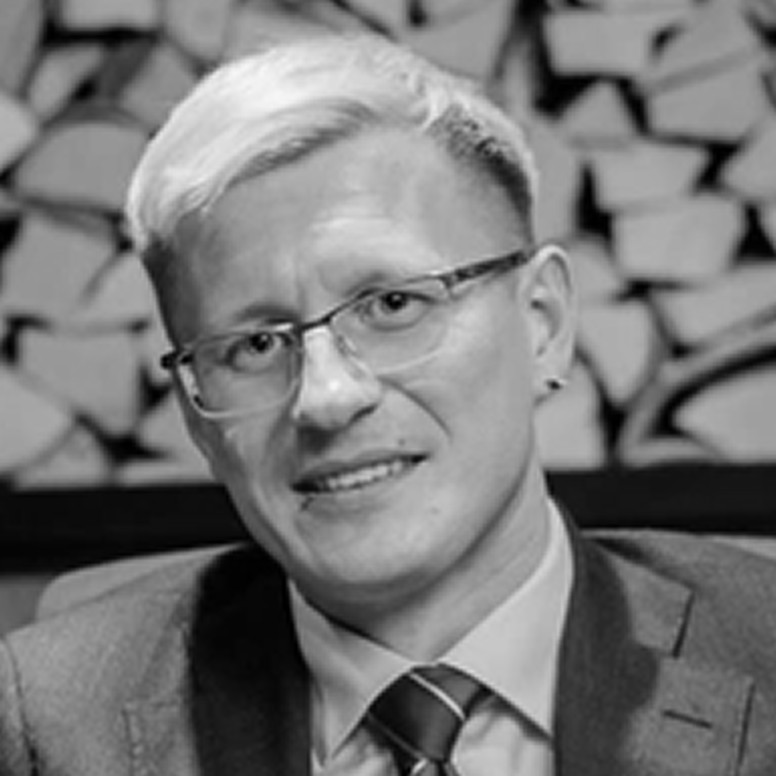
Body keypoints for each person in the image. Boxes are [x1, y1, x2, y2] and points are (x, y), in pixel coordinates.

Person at [2, 33, 776, 776]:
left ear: (543, 324)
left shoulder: (762, 650)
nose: (328, 397)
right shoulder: (49, 722)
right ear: (194, 413)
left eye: (393, 304)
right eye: (255, 346)